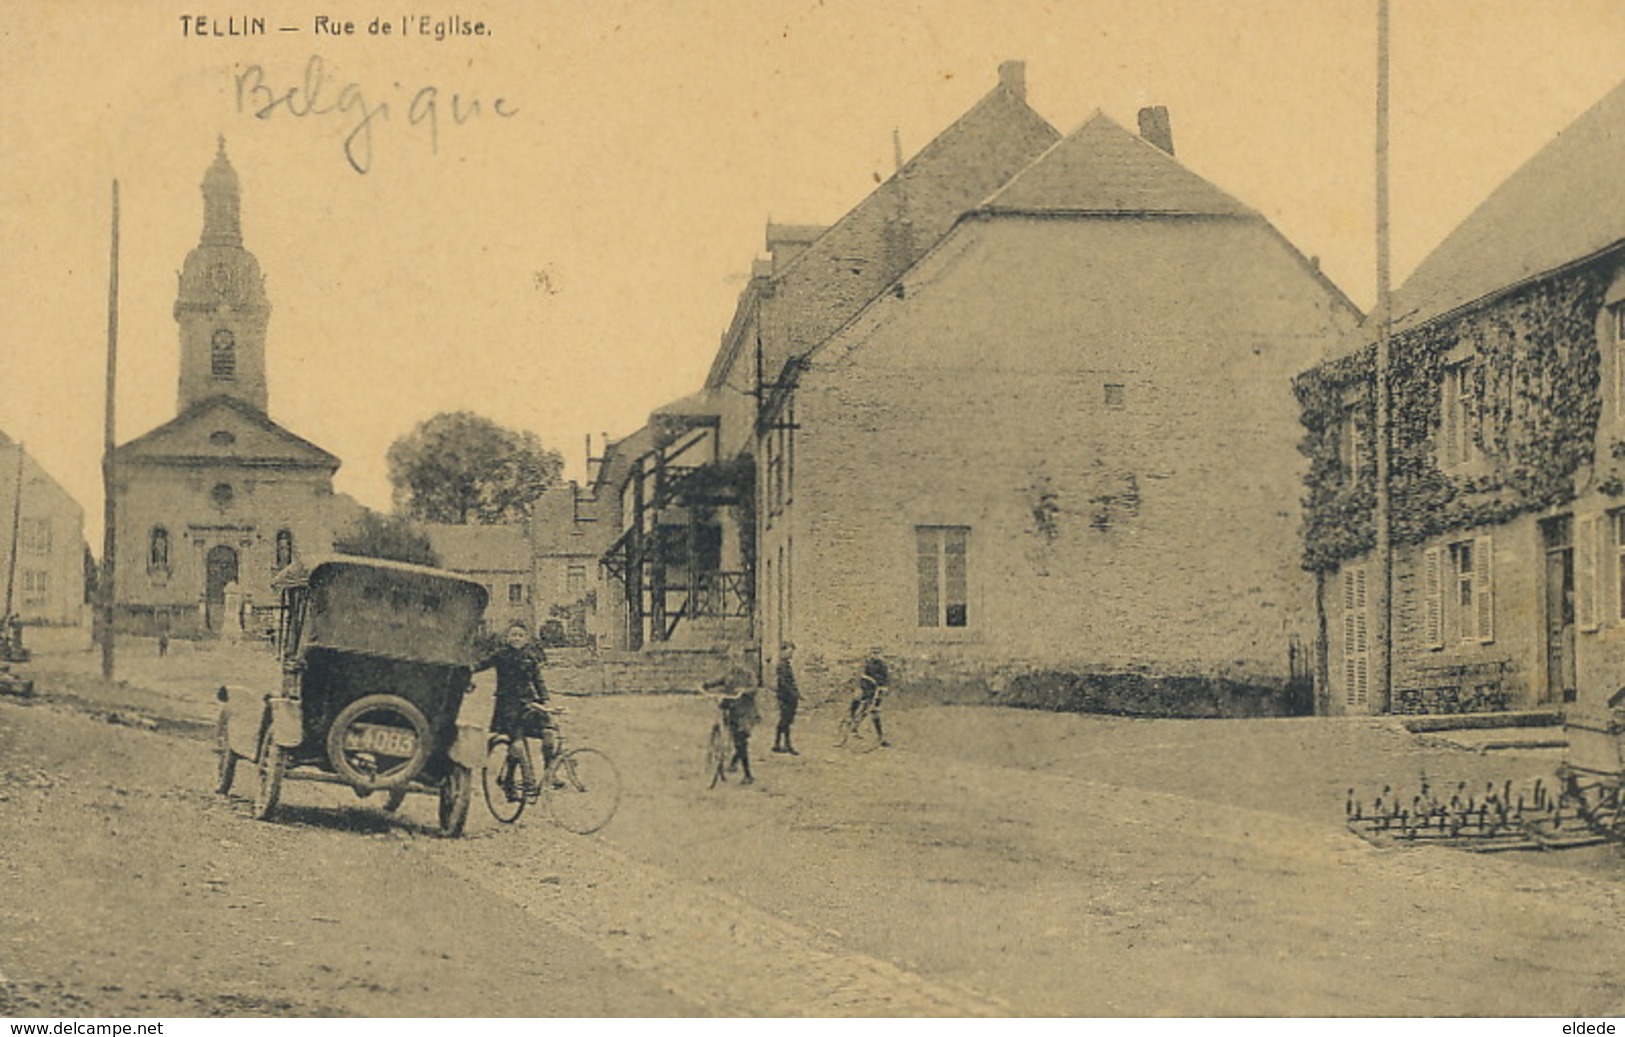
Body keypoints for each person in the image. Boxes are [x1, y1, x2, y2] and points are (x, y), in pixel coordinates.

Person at [475, 621, 556, 798]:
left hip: (530, 703)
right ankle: (524, 783)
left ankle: (550, 773)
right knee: (517, 745)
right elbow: (481, 664)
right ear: (507, 637)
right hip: (508, 707)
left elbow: (538, 680)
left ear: (526, 638)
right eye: (513, 635)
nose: (516, 638)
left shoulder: (530, 656)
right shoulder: (501, 655)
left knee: (549, 733)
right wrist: (465, 671)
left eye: (520, 635)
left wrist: (545, 700)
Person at [705, 668, 761, 785]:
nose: (736, 661)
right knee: (738, 740)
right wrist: (705, 685)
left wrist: (745, 691)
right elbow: (717, 681)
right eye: (733, 657)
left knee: (741, 740)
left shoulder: (748, 674)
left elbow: (754, 688)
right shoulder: (729, 674)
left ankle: (747, 774)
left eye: (738, 656)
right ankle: (733, 760)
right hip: (732, 710)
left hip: (746, 712)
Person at [850, 649, 892, 747]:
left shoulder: (883, 666)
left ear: (881, 655)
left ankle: (880, 737)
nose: (875, 655)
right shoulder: (867, 664)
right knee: (857, 702)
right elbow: (861, 676)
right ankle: (851, 723)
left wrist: (884, 688)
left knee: (874, 711)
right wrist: (861, 685)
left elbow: (886, 680)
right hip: (866, 689)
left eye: (877, 653)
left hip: (877, 691)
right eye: (873, 653)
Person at [772, 642, 799, 754]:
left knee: (786, 720)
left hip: (788, 696)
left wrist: (797, 693)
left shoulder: (786, 665)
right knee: (785, 720)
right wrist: (793, 693)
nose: (791, 654)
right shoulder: (781, 666)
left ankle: (779, 744)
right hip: (785, 697)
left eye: (792, 652)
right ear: (783, 652)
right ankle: (784, 744)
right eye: (789, 651)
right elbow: (784, 683)